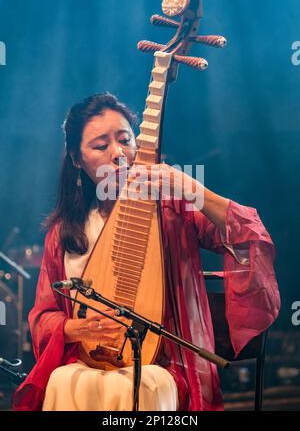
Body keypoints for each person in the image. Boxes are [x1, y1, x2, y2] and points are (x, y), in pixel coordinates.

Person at [12, 93, 280, 411]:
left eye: (125, 140)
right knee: (63, 380)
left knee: (132, 388)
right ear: (76, 159)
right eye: (100, 146)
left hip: (166, 365)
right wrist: (72, 328)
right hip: (91, 358)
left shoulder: (171, 210)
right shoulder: (65, 231)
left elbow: (249, 236)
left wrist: (190, 188)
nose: (118, 154)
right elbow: (43, 314)